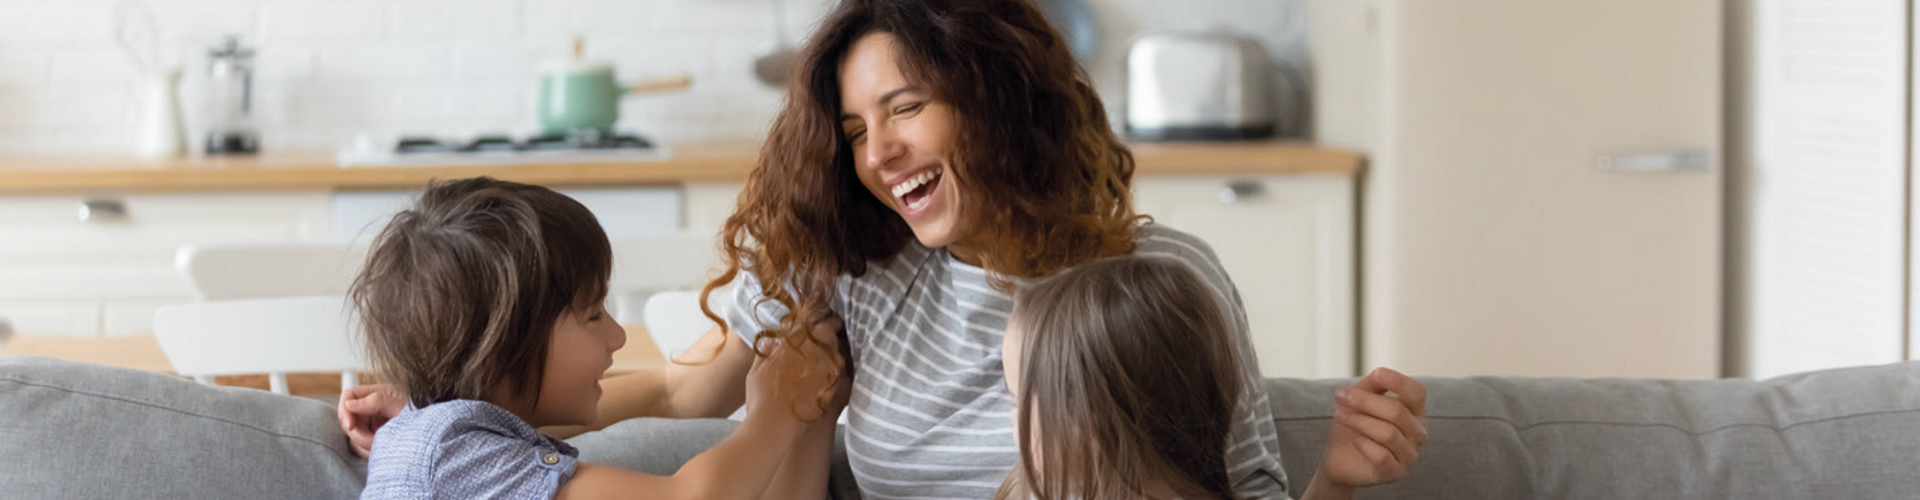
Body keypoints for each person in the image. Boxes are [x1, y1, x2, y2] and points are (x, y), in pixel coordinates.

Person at [342, 1, 1429, 498]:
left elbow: (1247, 487)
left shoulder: (1161, 279)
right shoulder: (848, 268)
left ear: (1000, 99)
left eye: (906, 107)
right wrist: (452, 398)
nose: (879, 154)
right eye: (857, 129)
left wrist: (1342, 471)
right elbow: (682, 393)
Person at [348, 177, 844, 500]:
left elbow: (674, 394)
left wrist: (806, 404)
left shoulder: (430, 431)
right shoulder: (460, 461)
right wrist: (776, 412)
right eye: (592, 315)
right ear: (500, 352)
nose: (617, 335)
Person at [998, 255, 1424, 500]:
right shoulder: (1024, 492)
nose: (1008, 417)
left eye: (1018, 398)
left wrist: (1334, 480)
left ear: (1091, 416)